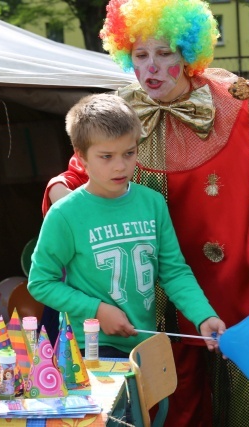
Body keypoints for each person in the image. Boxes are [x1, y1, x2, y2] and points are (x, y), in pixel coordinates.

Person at [41, 1, 249, 425]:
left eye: (164, 53)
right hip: (151, 292)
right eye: (141, 54)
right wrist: (62, 200)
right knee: (170, 403)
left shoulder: (238, 104)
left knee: (245, 402)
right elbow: (78, 176)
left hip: (235, 282)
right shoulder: (121, 110)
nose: (151, 67)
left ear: (188, 53)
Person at [28, 93, 224, 362]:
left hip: (143, 346)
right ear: (81, 157)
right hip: (90, 348)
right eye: (106, 156)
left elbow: (174, 272)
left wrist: (204, 315)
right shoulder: (65, 214)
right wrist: (96, 310)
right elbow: (41, 282)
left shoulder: (153, 203)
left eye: (129, 153)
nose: (120, 166)